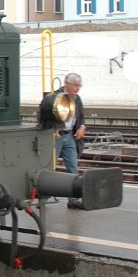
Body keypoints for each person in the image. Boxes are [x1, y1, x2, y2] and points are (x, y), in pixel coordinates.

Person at [38, 72, 87, 207]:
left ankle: (73, 200)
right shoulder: (54, 97)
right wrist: (51, 131)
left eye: (79, 86)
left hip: (70, 136)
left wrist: (82, 127)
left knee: (73, 168)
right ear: (67, 84)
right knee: (49, 167)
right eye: (75, 85)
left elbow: (81, 117)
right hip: (57, 136)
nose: (77, 88)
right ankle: (43, 198)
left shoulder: (77, 99)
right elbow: (42, 115)